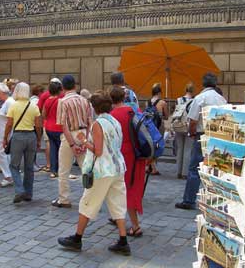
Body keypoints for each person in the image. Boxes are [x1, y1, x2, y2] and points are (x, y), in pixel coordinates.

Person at [57, 91, 130, 255]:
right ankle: (123, 240)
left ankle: (77, 238)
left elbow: (98, 150)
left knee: (88, 202)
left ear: (94, 107)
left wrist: (83, 140)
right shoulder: (114, 121)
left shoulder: (99, 124)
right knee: (117, 203)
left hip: (103, 170)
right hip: (117, 167)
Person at [175, 73, 227, 210]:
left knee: (195, 168)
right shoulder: (222, 99)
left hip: (202, 134)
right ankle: (215, 200)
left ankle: (189, 199)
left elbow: (193, 120)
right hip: (217, 136)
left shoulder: (200, 98)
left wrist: (192, 132)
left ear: (203, 84)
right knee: (215, 169)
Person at [110, 87, 146, 237]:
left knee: (125, 189)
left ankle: (135, 226)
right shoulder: (134, 111)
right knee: (134, 186)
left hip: (124, 155)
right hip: (138, 154)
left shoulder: (112, 115)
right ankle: (122, 218)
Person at [52, 75, 92, 208]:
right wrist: (86, 141)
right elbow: (89, 122)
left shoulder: (62, 102)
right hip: (83, 132)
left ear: (63, 87)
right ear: (75, 86)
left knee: (64, 169)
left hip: (70, 134)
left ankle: (64, 199)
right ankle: (90, 197)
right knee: (86, 168)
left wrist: (72, 144)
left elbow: (64, 126)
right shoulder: (84, 100)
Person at [3, 82, 42, 203]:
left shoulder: (14, 106)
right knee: (29, 167)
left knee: (14, 166)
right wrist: (39, 139)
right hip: (31, 136)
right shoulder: (33, 106)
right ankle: (28, 193)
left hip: (18, 136)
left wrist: (5, 137)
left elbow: (9, 124)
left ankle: (19, 190)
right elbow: (38, 125)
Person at [38, 79, 62, 173]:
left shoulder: (47, 100)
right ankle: (60, 168)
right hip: (59, 127)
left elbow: (43, 115)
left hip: (48, 127)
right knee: (60, 149)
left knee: (52, 148)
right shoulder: (60, 101)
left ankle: (53, 170)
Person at [0, 82, 15, 187]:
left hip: (5, 134)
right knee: (5, 155)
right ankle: (9, 175)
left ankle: (8, 176)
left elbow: (11, 119)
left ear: (3, 92)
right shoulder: (7, 102)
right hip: (3, 134)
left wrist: (6, 136)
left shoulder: (9, 102)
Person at [147, 83, 169, 176]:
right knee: (158, 146)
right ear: (160, 92)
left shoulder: (148, 101)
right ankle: (153, 168)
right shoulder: (163, 102)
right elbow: (167, 117)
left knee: (151, 146)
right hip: (159, 127)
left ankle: (149, 166)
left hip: (149, 126)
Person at [175, 83, 194, 179]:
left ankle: (178, 171)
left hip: (178, 126)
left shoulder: (178, 100)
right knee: (187, 149)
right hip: (188, 126)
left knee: (180, 149)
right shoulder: (194, 101)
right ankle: (184, 173)